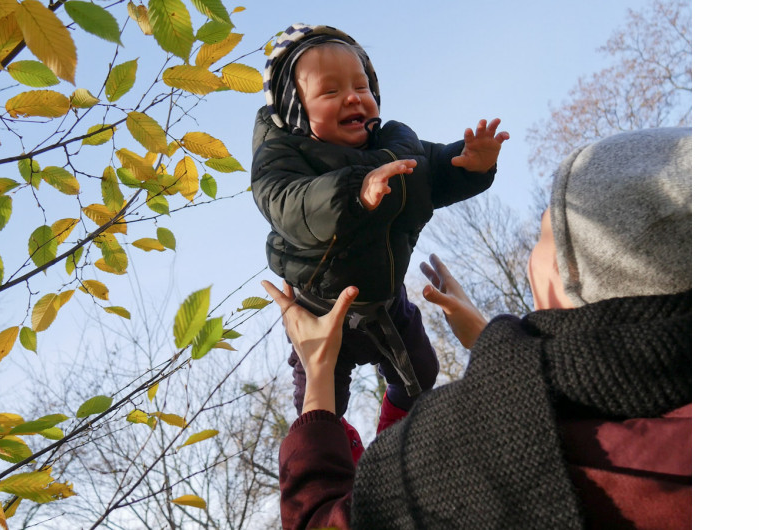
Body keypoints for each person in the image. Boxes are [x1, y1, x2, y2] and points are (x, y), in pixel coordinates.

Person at [263, 126, 692, 528]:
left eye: (545, 232)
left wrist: (318, 375)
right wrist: (496, 342)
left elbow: (321, 519)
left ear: (567, 281)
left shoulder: (478, 458)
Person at [251, 22, 509, 449]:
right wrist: (355, 191)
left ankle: (394, 443)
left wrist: (470, 164)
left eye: (361, 85)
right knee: (319, 408)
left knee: (421, 375)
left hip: (387, 304)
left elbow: (430, 171)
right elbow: (286, 203)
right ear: (296, 109)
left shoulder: (394, 143)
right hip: (320, 312)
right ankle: (342, 461)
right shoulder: (286, 155)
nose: (353, 97)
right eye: (330, 91)